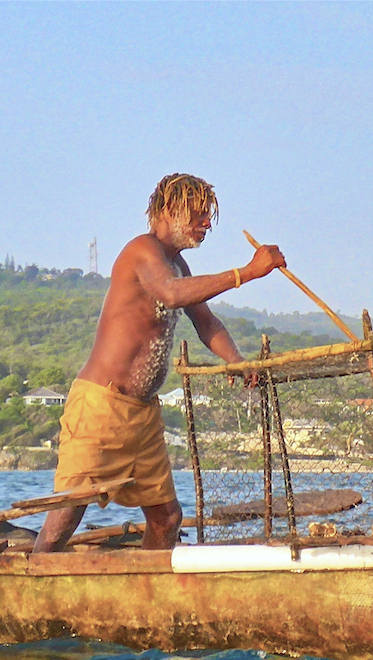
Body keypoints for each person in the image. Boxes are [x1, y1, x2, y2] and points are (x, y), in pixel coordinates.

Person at [33, 173, 286, 552]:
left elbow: (206, 322)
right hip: (101, 407)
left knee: (167, 519)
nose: (206, 224)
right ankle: (37, 581)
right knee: (68, 510)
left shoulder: (178, 265)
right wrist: (246, 273)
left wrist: (236, 361)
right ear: (168, 211)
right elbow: (169, 295)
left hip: (142, 417)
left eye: (207, 217)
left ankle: (148, 590)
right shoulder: (142, 251)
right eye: (198, 215)